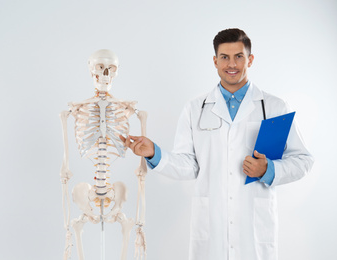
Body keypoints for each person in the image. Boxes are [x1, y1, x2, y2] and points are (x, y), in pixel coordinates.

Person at [120, 28, 314, 260]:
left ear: (250, 59)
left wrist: (269, 170)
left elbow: (304, 160)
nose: (231, 64)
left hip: (254, 227)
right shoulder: (195, 108)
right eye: (224, 57)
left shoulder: (274, 107)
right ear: (215, 61)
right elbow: (190, 165)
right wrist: (154, 154)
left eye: (239, 56)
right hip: (211, 225)